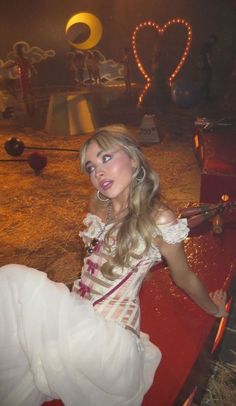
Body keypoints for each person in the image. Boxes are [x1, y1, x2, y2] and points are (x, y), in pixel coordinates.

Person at [0, 125, 228, 406]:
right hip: (76, 324)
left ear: (133, 158)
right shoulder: (99, 206)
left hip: (109, 347)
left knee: (12, 279)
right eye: (91, 166)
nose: (98, 172)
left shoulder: (160, 218)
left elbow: (184, 278)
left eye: (106, 158)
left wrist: (215, 308)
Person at [5, 43, 37, 116]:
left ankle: (30, 98)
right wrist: (5, 67)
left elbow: (30, 65)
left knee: (28, 86)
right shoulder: (18, 60)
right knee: (24, 86)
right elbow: (13, 64)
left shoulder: (23, 59)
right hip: (23, 75)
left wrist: (34, 70)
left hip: (25, 75)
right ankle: (26, 96)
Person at [197, 34, 218, 102]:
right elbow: (208, 57)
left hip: (201, 67)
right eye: (214, 41)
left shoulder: (203, 45)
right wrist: (211, 65)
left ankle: (204, 98)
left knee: (204, 82)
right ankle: (204, 98)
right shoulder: (207, 46)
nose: (214, 43)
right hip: (205, 67)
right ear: (212, 39)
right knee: (205, 82)